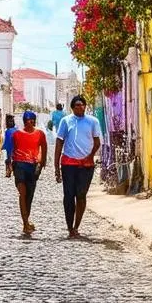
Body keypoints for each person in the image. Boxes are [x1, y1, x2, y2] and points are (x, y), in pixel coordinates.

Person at [54, 95, 101, 238]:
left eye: (83, 105)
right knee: (69, 196)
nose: (81, 107)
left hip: (86, 164)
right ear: (72, 107)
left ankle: (76, 226)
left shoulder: (92, 121)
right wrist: (56, 166)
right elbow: (59, 142)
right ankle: (70, 227)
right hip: (68, 163)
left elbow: (97, 141)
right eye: (77, 105)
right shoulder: (66, 121)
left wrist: (90, 155)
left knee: (81, 195)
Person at [7, 110, 47, 237]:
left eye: (33, 120)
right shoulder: (16, 134)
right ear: (25, 121)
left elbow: (44, 149)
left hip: (33, 166)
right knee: (22, 193)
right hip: (19, 165)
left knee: (29, 196)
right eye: (29, 120)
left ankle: (26, 220)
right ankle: (25, 223)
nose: (31, 122)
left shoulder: (40, 134)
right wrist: (9, 166)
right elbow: (10, 151)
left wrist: (41, 165)